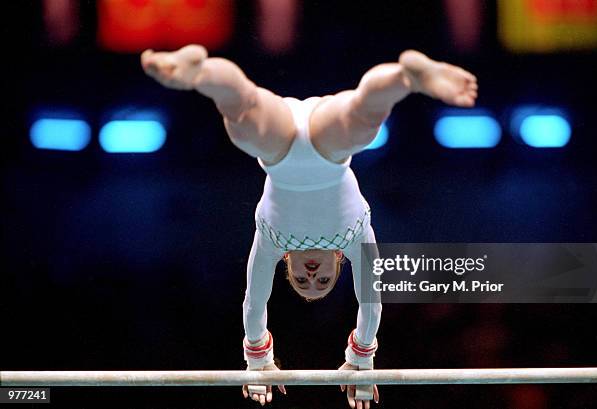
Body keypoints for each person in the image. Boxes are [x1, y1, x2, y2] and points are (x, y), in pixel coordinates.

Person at [141, 44, 478, 408]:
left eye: (302, 280)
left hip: (278, 151)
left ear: (287, 261)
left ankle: (200, 74)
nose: (312, 275)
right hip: (329, 150)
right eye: (323, 280)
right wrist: (362, 357)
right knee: (364, 118)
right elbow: (371, 300)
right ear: (339, 261)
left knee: (241, 111)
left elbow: (255, 301)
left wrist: (257, 357)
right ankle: (408, 76)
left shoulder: (271, 240)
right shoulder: (354, 238)